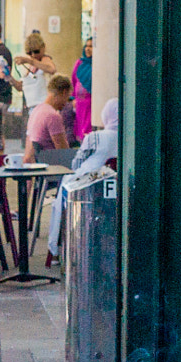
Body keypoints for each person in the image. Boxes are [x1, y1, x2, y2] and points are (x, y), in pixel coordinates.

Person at [45, 99, 119, 265]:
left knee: (63, 192)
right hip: (113, 192)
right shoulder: (130, 138)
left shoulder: (95, 137)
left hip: (85, 189)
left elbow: (76, 165)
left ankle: (56, 250)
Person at [25, 74, 74, 164]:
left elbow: (28, 152)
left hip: (38, 165)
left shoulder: (36, 110)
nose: (66, 102)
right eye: (67, 97)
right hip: (53, 166)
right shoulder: (53, 116)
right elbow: (63, 151)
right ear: (64, 92)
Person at [15, 30, 59, 116]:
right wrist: (9, 77)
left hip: (44, 107)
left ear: (43, 48)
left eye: (36, 51)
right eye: (29, 53)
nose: (33, 55)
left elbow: (52, 69)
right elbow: (21, 86)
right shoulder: (31, 66)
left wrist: (29, 60)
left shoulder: (45, 60)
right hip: (32, 107)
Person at [71, 36, 94, 138]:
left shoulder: (97, 65)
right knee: (79, 132)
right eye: (86, 46)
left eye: (91, 46)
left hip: (90, 105)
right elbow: (73, 80)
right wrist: (73, 98)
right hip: (79, 105)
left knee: (87, 131)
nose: (88, 49)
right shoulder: (80, 63)